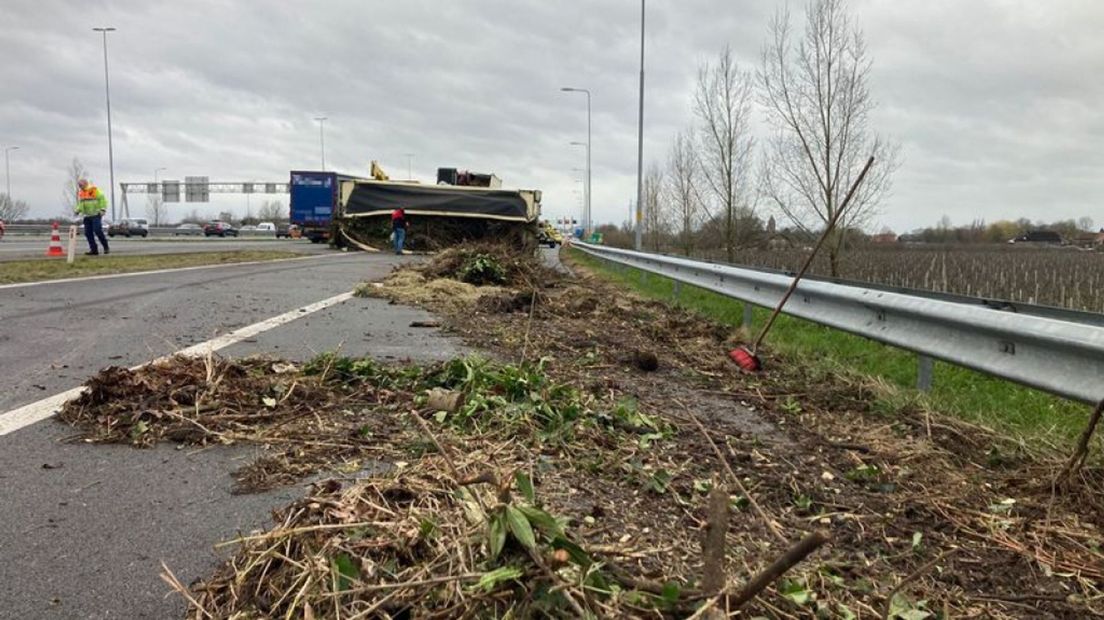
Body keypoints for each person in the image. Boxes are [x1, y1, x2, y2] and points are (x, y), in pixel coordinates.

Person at [76, 179, 110, 255]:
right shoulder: (81, 193)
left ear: (85, 184)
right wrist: (78, 210)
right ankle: (94, 249)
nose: (80, 187)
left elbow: (102, 199)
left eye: (80, 185)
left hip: (96, 214)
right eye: (79, 185)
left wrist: (103, 209)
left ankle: (105, 246)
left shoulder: (93, 190)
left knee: (97, 230)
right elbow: (81, 204)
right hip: (87, 216)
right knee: (88, 233)